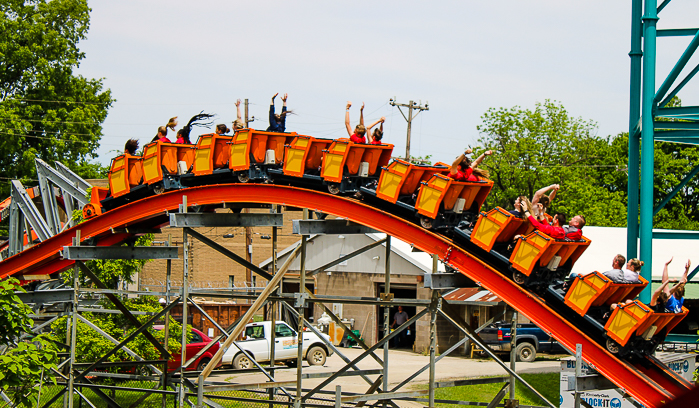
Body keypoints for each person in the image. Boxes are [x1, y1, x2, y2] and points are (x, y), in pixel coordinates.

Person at [520, 200, 585, 240]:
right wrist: (541, 213)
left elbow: (537, 225)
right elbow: (548, 228)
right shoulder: (565, 232)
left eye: (553, 218)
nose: (571, 218)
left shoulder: (557, 231)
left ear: (556, 221)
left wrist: (526, 211)